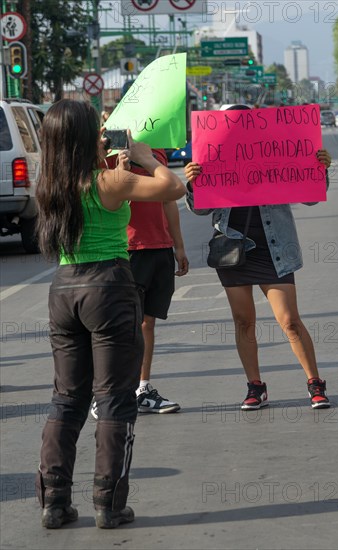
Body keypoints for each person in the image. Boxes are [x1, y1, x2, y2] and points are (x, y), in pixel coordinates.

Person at [35, 99, 186, 529]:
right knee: (115, 399)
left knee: (66, 399)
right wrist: (141, 158)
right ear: (82, 138)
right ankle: (109, 503)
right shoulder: (111, 181)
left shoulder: (48, 186)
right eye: (96, 130)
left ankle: (54, 501)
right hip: (110, 288)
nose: (104, 134)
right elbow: (174, 188)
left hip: (64, 290)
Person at [184, 104, 332, 410]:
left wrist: (320, 169)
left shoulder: (274, 150)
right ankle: (255, 387)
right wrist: (192, 182)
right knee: (243, 320)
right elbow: (200, 209)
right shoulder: (213, 154)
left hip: (273, 247)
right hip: (232, 247)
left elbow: (312, 197)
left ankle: (314, 383)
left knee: (289, 320)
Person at [91, 149, 189, 416]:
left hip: (159, 247)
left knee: (147, 323)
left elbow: (169, 197)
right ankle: (107, 393)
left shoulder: (153, 153)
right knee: (122, 324)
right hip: (126, 249)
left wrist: (178, 245)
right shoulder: (106, 154)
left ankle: (141, 389)